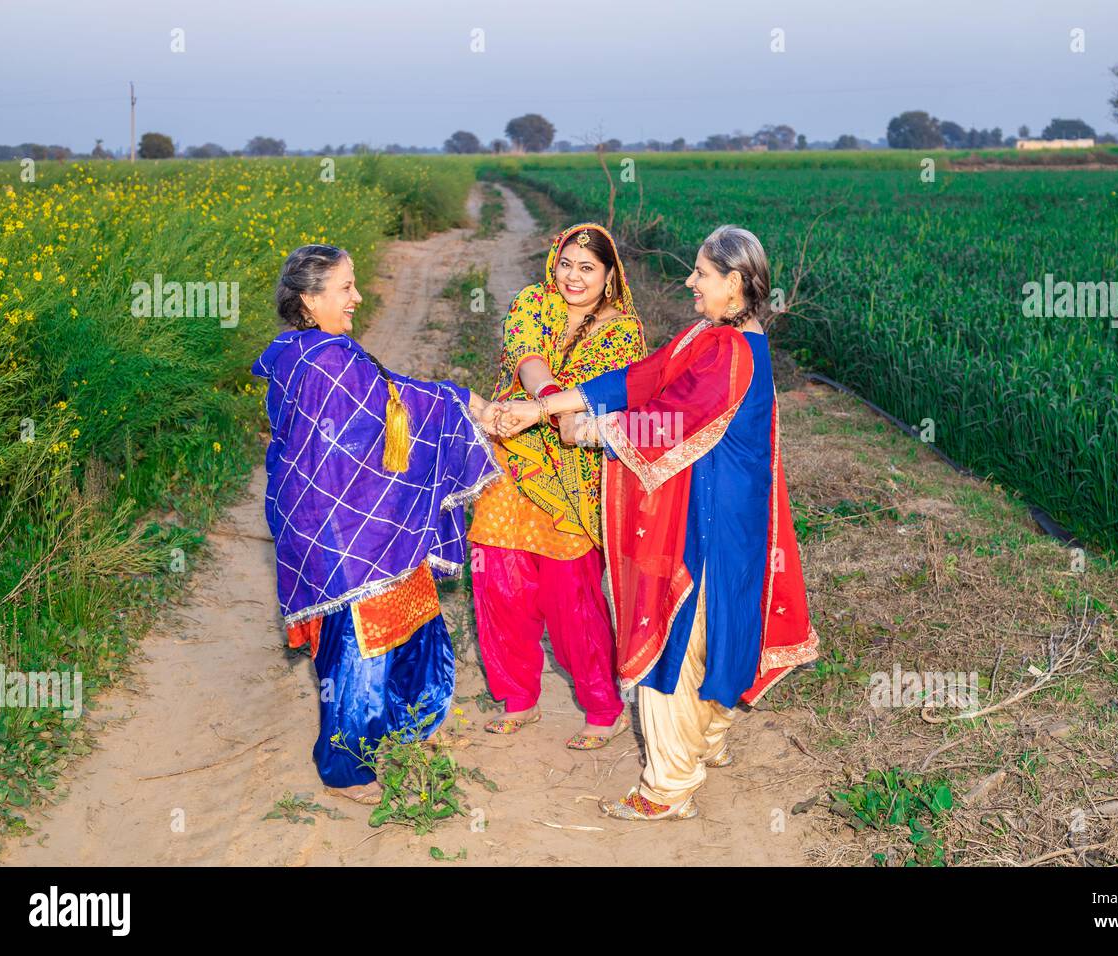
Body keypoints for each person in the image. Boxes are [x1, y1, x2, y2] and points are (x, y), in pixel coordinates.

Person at [496, 225, 819, 819]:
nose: (690, 282)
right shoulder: (717, 335)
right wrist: (547, 406)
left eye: (702, 273)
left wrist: (590, 430)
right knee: (720, 626)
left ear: (736, 282)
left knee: (676, 636)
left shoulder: (731, 353)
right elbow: (644, 380)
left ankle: (667, 789)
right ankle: (708, 741)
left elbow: (669, 422)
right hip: (729, 516)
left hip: (710, 521)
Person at [253, 244, 504, 804]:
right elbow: (394, 402)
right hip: (344, 531)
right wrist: (465, 402)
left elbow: (384, 400)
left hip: (343, 520)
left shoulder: (302, 350)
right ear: (309, 299)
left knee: (404, 620)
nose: (358, 297)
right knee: (358, 647)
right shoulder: (322, 360)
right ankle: (345, 770)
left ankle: (399, 726)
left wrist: (461, 401)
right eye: (345, 288)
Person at [468, 222, 646, 749]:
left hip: (573, 479)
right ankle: (518, 697)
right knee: (499, 580)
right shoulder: (532, 302)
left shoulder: (624, 333)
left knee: (574, 597)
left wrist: (542, 410)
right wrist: (541, 399)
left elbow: (594, 395)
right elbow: (526, 356)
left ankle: (601, 706)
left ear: (610, 275)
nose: (573, 276)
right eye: (566, 263)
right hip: (511, 459)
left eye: (587, 268)